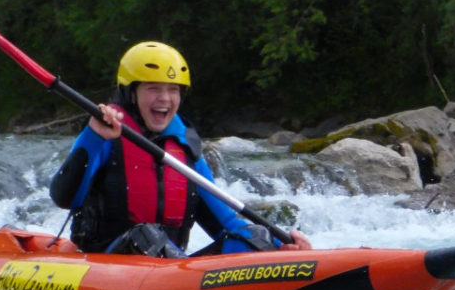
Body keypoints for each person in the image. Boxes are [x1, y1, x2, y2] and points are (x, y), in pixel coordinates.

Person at [49, 41, 311, 257]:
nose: (165, 99)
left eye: (173, 90)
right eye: (153, 89)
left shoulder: (184, 147)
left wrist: (282, 246)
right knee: (145, 236)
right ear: (131, 93)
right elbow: (64, 197)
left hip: (173, 269)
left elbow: (226, 223)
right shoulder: (104, 133)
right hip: (109, 262)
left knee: (254, 238)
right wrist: (94, 136)